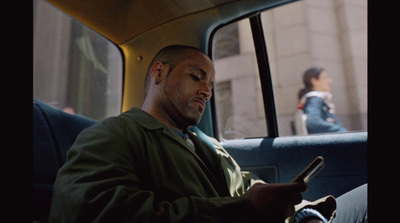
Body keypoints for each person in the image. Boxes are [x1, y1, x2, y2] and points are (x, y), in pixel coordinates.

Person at [49, 46, 363, 223]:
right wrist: (242, 210)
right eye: (197, 77)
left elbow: (249, 187)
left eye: (211, 85)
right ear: (158, 73)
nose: (207, 91)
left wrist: (304, 211)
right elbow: (89, 213)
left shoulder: (207, 144)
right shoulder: (115, 134)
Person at [296, 67, 347, 134]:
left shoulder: (315, 99)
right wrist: (342, 132)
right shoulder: (315, 99)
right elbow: (313, 122)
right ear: (314, 81)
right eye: (325, 78)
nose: (330, 81)